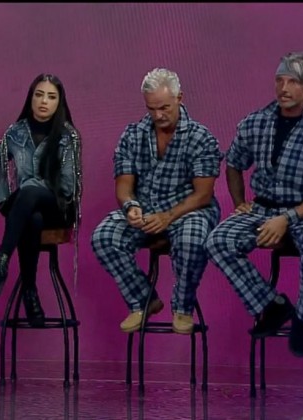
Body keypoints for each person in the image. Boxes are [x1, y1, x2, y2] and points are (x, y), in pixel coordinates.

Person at [205, 52, 303, 357]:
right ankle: (271, 305)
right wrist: (240, 202)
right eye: (279, 80)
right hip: (262, 207)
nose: (283, 88)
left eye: (292, 82)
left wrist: (286, 219)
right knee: (218, 241)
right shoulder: (256, 122)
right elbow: (234, 162)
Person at [91, 68, 222, 335]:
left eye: (164, 108)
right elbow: (124, 186)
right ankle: (143, 300)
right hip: (147, 207)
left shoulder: (201, 137)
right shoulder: (133, 134)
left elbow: (203, 195)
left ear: (179, 98)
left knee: (192, 237)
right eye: (151, 109)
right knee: (104, 236)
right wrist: (131, 207)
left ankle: (183, 307)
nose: (158, 115)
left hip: (188, 209)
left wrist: (168, 216)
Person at [0, 74, 82, 327]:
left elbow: (68, 188)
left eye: (51, 96)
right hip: (27, 210)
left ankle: (1, 261)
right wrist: (3, 201)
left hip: (58, 206)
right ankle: (30, 292)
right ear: (31, 98)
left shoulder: (68, 136)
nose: (44, 101)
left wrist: (32, 188)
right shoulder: (15, 132)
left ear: (59, 102)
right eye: (39, 95)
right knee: (32, 218)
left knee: (29, 191)